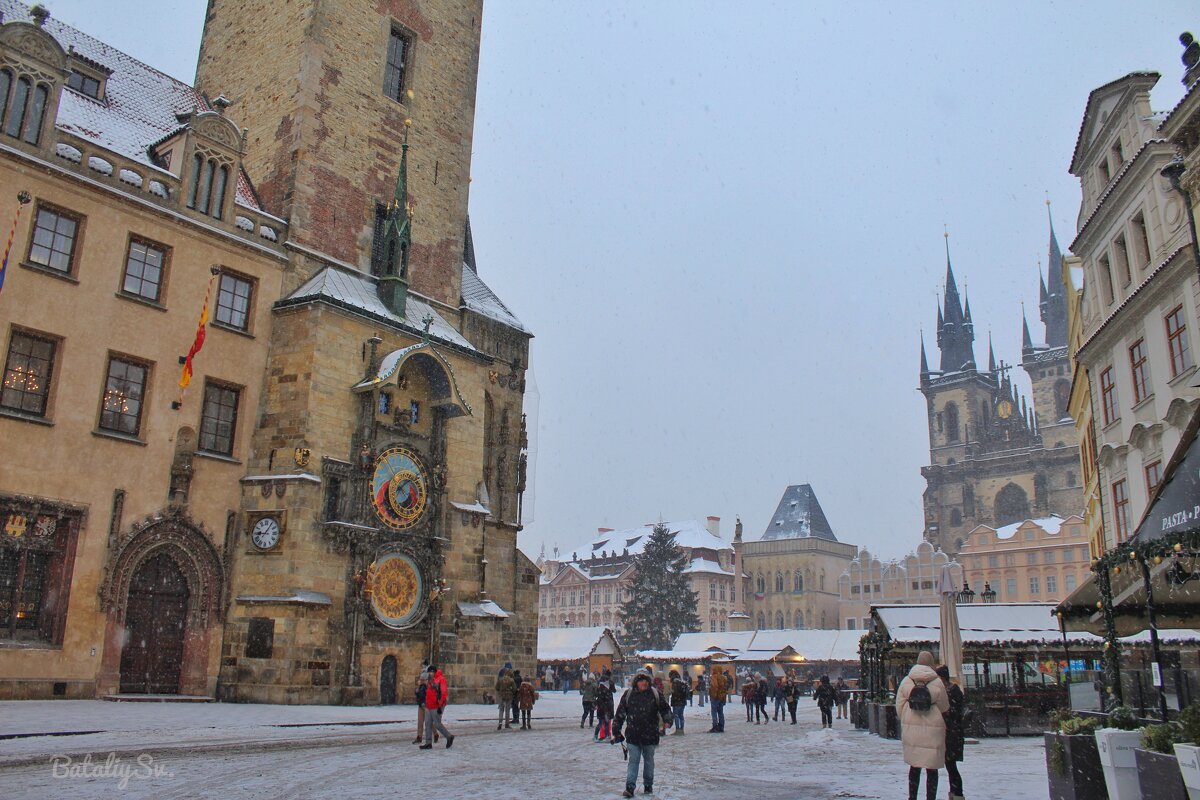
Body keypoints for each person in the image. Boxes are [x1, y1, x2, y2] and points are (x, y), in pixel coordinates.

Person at [897, 651, 950, 800]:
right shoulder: (937, 682)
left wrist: (908, 718)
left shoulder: (906, 681)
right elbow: (945, 706)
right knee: (931, 768)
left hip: (911, 729)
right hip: (933, 730)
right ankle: (930, 797)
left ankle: (912, 797)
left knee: (914, 766)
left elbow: (899, 706)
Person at [613, 670, 672, 798]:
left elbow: (665, 708)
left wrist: (668, 720)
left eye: (645, 680)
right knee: (633, 761)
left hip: (650, 734)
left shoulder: (655, 694)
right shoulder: (629, 695)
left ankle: (648, 785)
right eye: (640, 680)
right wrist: (616, 729)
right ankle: (630, 787)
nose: (643, 683)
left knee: (649, 761)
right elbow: (620, 713)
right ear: (636, 682)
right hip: (633, 735)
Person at [937, 665, 966, 800]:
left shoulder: (951, 691)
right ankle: (955, 793)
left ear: (942, 678)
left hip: (952, 734)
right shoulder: (952, 690)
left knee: (951, 766)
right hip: (954, 733)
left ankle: (957, 794)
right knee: (951, 766)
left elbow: (952, 713)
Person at [421, 664, 455, 749]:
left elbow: (443, 693)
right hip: (429, 705)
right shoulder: (430, 679)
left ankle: (449, 736)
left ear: (433, 672)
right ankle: (428, 743)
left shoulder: (441, 679)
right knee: (428, 723)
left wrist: (440, 704)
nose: (429, 673)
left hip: (436, 705)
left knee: (437, 724)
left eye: (430, 672)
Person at [412, 670, 438, 745]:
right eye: (421, 679)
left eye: (423, 680)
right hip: (421, 705)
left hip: (427, 706)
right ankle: (419, 737)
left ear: (427, 680)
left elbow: (429, 696)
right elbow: (419, 696)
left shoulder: (429, 686)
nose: (421, 681)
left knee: (429, 722)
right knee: (420, 722)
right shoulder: (420, 686)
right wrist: (417, 692)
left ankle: (435, 734)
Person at [594, 675, 615, 741]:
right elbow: (602, 700)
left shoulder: (603, 690)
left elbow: (599, 699)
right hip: (604, 709)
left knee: (604, 723)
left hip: (604, 709)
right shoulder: (604, 690)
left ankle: (605, 736)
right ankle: (602, 736)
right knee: (603, 723)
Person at [495, 665, 515, 730]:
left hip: (501, 696)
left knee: (501, 709)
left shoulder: (501, 679)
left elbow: (496, 687)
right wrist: (511, 691)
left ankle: (500, 722)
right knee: (507, 710)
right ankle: (507, 724)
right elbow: (514, 689)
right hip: (509, 696)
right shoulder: (511, 680)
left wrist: (500, 691)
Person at [707, 666, 727, 733]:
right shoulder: (724, 678)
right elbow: (725, 688)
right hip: (722, 697)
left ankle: (715, 726)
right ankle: (721, 726)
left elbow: (714, 686)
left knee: (714, 712)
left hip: (715, 697)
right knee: (720, 712)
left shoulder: (714, 677)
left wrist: (714, 695)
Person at [668, 669, 688, 734]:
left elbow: (675, 692)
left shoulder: (675, 682)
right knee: (681, 715)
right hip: (683, 701)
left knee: (676, 715)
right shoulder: (682, 682)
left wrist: (672, 693)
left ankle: (677, 730)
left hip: (676, 701)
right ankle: (682, 729)